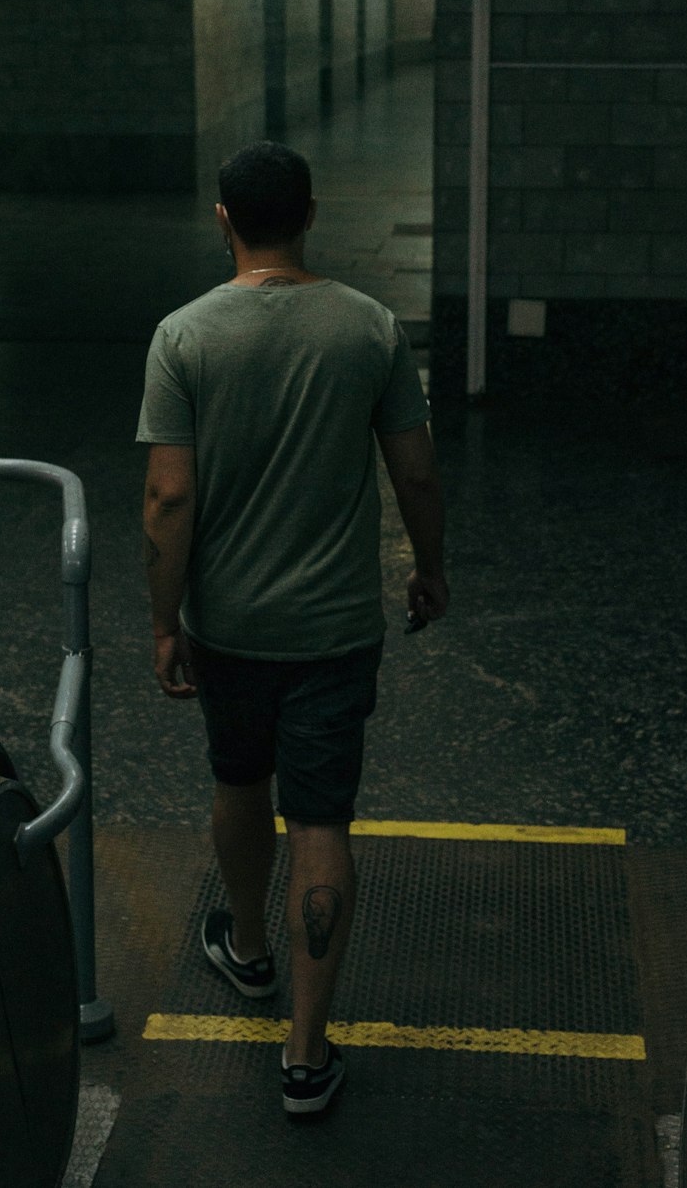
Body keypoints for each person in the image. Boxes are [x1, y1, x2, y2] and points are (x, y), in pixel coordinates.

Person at [136, 140, 449, 1115]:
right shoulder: (368, 327)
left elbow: (168, 498)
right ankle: (305, 1055)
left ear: (222, 219)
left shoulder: (182, 337)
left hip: (229, 624)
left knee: (238, 779)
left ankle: (251, 949)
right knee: (321, 817)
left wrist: (164, 619)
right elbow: (416, 468)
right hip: (335, 627)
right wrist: (429, 567)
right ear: (311, 213)